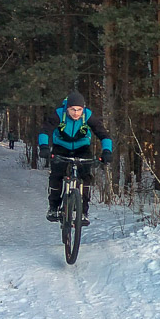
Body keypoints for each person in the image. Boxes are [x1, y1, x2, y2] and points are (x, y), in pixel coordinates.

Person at [38, 91, 113, 226]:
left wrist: (107, 151)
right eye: (73, 109)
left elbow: (103, 134)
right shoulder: (59, 114)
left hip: (82, 148)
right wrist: (44, 147)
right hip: (61, 147)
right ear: (67, 108)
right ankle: (53, 208)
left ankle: (83, 212)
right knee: (56, 175)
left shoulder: (88, 116)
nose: (76, 113)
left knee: (86, 177)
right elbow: (45, 130)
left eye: (79, 110)